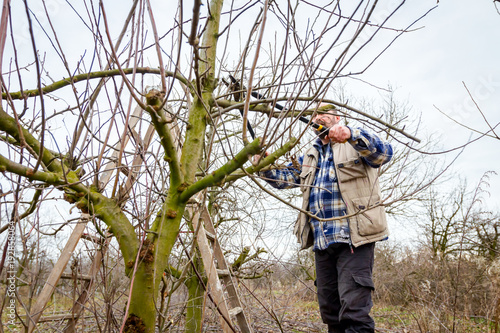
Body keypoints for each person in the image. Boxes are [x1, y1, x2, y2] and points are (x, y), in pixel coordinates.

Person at [255, 106, 393, 333]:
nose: (318, 117)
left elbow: (384, 154)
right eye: (315, 115)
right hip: (322, 241)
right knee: (331, 312)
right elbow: (285, 179)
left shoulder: (355, 143)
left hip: (354, 239)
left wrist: (351, 134)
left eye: (325, 113)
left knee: (354, 312)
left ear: (337, 118)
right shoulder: (310, 155)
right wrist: (264, 165)